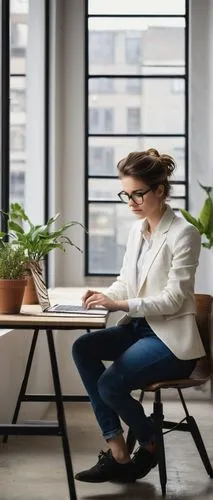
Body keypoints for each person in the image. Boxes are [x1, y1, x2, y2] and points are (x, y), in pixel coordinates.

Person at [72, 148, 205, 484]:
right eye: (125, 195)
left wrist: (122, 305)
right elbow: (125, 283)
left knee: (110, 383)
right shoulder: (137, 231)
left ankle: (148, 442)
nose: (130, 202)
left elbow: (174, 299)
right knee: (82, 347)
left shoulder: (183, 233)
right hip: (139, 329)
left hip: (170, 341)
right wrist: (105, 297)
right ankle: (117, 449)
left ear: (160, 190)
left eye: (137, 194)